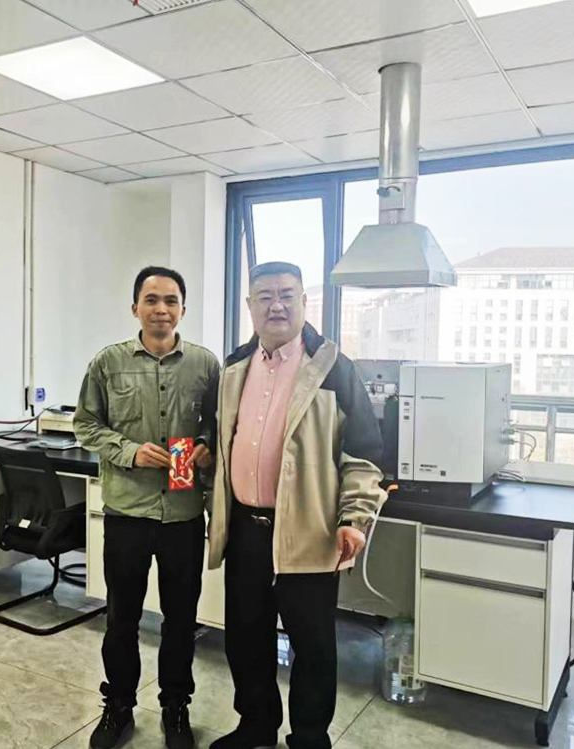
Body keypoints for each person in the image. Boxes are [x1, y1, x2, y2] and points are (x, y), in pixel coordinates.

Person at [207, 261, 387, 749]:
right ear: (250, 306)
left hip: (310, 531)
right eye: (265, 296)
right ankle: (256, 725)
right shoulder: (234, 367)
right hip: (245, 529)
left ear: (305, 302)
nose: (276, 306)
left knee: (312, 645)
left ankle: (309, 737)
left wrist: (355, 518)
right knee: (246, 637)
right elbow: (219, 440)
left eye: (287, 295)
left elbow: (364, 455)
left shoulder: (334, 369)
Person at [75, 266, 221, 749]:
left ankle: (175, 707)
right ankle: (118, 706)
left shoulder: (205, 365)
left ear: (184, 309)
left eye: (171, 300)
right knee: (122, 618)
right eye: (152, 300)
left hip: (183, 514)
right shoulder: (108, 363)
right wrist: (129, 450)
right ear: (135, 307)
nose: (161, 309)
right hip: (127, 514)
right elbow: (85, 425)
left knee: (180, 621)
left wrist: (205, 444)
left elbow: (219, 424)